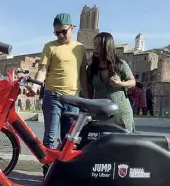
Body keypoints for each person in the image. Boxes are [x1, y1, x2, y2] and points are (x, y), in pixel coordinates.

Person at [26, 13, 89, 176]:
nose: (60, 36)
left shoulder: (79, 48)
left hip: (73, 99)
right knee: (50, 137)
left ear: (72, 28)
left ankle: (63, 174)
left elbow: (83, 74)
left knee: (69, 140)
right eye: (56, 33)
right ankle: (48, 174)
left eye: (63, 32)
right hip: (53, 96)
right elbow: (43, 70)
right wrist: (36, 85)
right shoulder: (50, 46)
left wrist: (87, 98)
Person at [87, 32, 136, 131]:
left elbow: (132, 82)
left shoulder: (120, 64)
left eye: (100, 45)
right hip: (100, 112)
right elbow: (89, 89)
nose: (96, 48)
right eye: (95, 44)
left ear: (107, 46)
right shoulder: (92, 68)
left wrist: (120, 84)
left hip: (121, 113)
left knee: (123, 144)